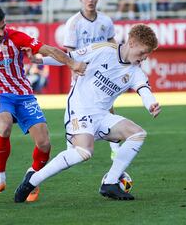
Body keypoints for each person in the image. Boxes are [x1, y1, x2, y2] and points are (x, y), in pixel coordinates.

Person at [0, 4, 86, 202]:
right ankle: (0, 178)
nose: (1, 32)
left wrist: (71, 63)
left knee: (44, 143)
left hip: (23, 94)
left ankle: (32, 178)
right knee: (4, 125)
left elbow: (47, 49)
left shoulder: (16, 37)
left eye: (3, 27)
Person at [14, 23, 161, 202]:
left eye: (148, 54)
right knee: (84, 152)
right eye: (143, 52)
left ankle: (111, 183)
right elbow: (70, 57)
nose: (145, 58)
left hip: (102, 116)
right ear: (131, 43)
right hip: (79, 109)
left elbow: (144, 89)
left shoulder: (135, 72)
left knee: (137, 134)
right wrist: (38, 60)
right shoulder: (104, 50)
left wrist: (151, 104)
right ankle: (32, 181)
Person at [63, 0, 120, 159]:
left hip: (102, 72)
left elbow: (112, 43)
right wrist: (74, 69)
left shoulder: (105, 21)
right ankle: (71, 143)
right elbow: (69, 51)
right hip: (83, 72)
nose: (90, 0)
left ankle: (115, 148)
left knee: (108, 107)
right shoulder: (74, 23)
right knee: (75, 108)